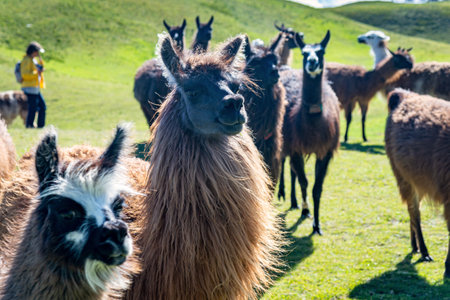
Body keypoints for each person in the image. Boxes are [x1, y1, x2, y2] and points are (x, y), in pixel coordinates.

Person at [21, 41, 46, 128]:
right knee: (33, 108)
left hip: (35, 88)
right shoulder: (26, 60)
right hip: (29, 88)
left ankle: (40, 126)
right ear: (32, 51)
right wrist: (36, 74)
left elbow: (39, 68)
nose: (37, 53)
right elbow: (25, 75)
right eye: (37, 51)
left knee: (42, 107)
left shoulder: (33, 60)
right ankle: (29, 125)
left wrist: (40, 60)